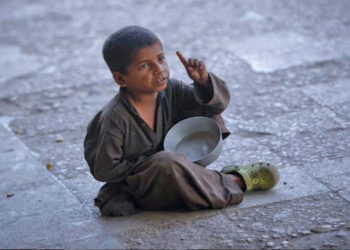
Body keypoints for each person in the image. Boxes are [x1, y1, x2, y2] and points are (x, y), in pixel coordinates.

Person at [83, 26, 280, 217]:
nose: (159, 69)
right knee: (166, 162)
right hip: (140, 180)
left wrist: (202, 82)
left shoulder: (172, 90)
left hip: (174, 165)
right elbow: (105, 170)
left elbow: (215, 108)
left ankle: (188, 179)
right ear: (120, 79)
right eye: (144, 66)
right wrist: (151, 163)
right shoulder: (115, 118)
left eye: (160, 59)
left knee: (206, 112)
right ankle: (233, 180)